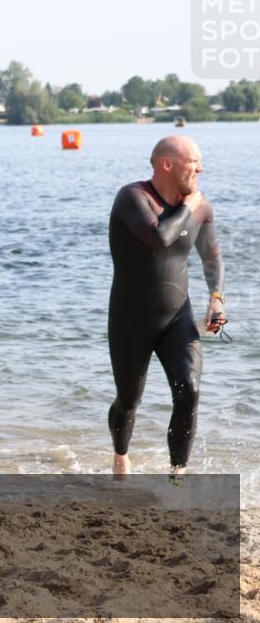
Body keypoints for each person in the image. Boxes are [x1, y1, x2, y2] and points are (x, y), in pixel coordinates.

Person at [107, 135, 225, 478]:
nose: (201, 168)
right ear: (167, 164)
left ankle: (177, 475)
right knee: (128, 400)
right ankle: (120, 456)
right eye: (194, 161)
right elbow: (159, 238)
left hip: (177, 316)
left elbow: (212, 258)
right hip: (131, 319)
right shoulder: (133, 198)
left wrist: (216, 298)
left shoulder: (202, 207)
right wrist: (189, 207)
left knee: (189, 391)